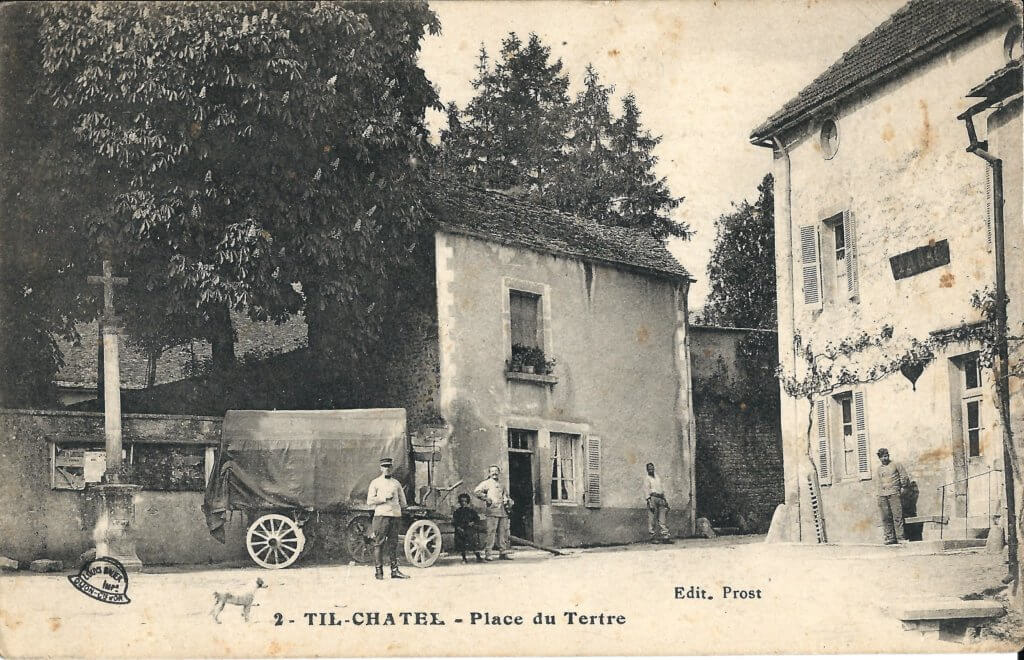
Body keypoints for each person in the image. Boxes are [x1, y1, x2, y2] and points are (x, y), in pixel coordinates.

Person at [366, 457, 409, 580]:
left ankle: (395, 571)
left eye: (389, 466)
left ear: (392, 468)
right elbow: (369, 501)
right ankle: (379, 572)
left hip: (395, 517)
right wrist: (383, 498)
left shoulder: (396, 483)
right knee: (378, 543)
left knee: (393, 544)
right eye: (384, 466)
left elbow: (403, 501)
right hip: (381, 517)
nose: (387, 469)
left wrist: (400, 507)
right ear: (381, 468)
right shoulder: (375, 483)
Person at [474, 465, 513, 561]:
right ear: (489, 473)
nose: (494, 473)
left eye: (496, 471)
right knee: (491, 533)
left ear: (499, 473)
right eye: (492, 471)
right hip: (492, 511)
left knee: (502, 533)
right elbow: (476, 491)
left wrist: (507, 500)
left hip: (503, 512)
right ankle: (488, 554)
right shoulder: (486, 483)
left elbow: (506, 495)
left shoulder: (502, 484)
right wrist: (486, 498)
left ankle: (503, 552)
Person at [875, 448, 910, 545]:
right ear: (879, 458)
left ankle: (901, 537)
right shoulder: (879, 469)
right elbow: (878, 482)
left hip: (894, 493)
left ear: (888, 455)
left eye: (886, 456)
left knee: (897, 516)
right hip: (882, 495)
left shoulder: (896, 465)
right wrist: (878, 495)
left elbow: (904, 477)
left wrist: (903, 488)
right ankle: (890, 537)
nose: (884, 458)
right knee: (886, 517)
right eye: (882, 457)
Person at [644, 462, 672, 543]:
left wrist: (665, 500)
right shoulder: (647, 478)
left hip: (661, 498)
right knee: (652, 518)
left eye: (652, 468)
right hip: (652, 498)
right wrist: (649, 501)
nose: (651, 470)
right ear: (647, 470)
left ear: (654, 468)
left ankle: (665, 536)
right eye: (649, 468)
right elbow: (646, 490)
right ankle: (652, 537)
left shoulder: (657, 477)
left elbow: (662, 488)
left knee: (662, 518)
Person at [452, 493, 484, 563]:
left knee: (473, 542)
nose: (463, 503)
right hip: (460, 530)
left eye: (465, 501)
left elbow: (477, 519)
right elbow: (454, 521)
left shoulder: (471, 511)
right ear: (459, 502)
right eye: (462, 501)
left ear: (468, 502)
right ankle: (464, 558)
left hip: (469, 529)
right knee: (461, 544)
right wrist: (458, 527)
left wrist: (473, 523)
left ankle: (478, 557)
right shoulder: (457, 512)